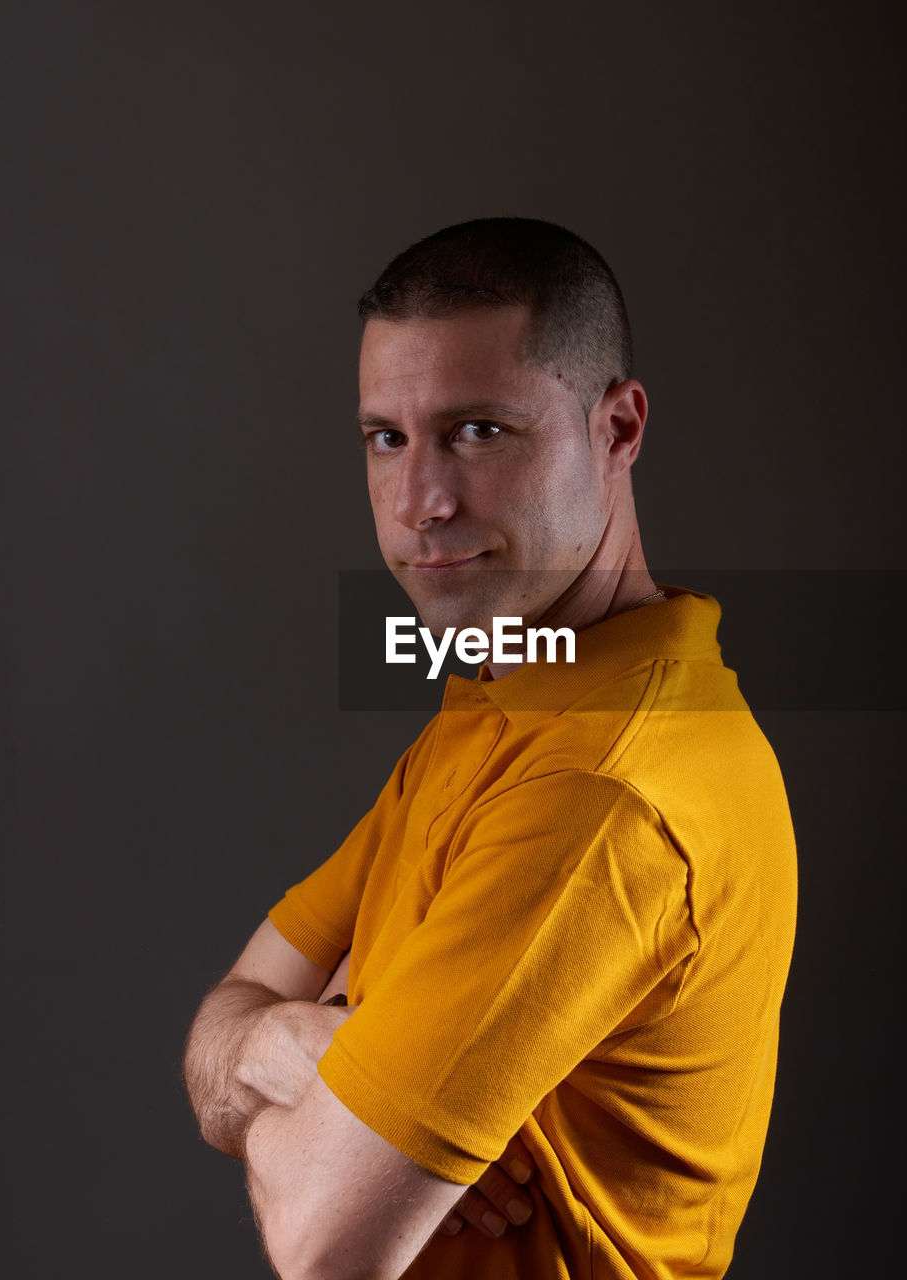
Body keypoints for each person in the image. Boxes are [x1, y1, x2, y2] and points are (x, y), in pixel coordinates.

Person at [183, 217, 798, 1279]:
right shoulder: (504, 701)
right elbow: (218, 1032)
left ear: (617, 427)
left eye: (478, 431)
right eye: (386, 437)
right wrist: (292, 1045)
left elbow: (320, 1239)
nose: (421, 503)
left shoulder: (601, 788)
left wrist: (293, 1077)